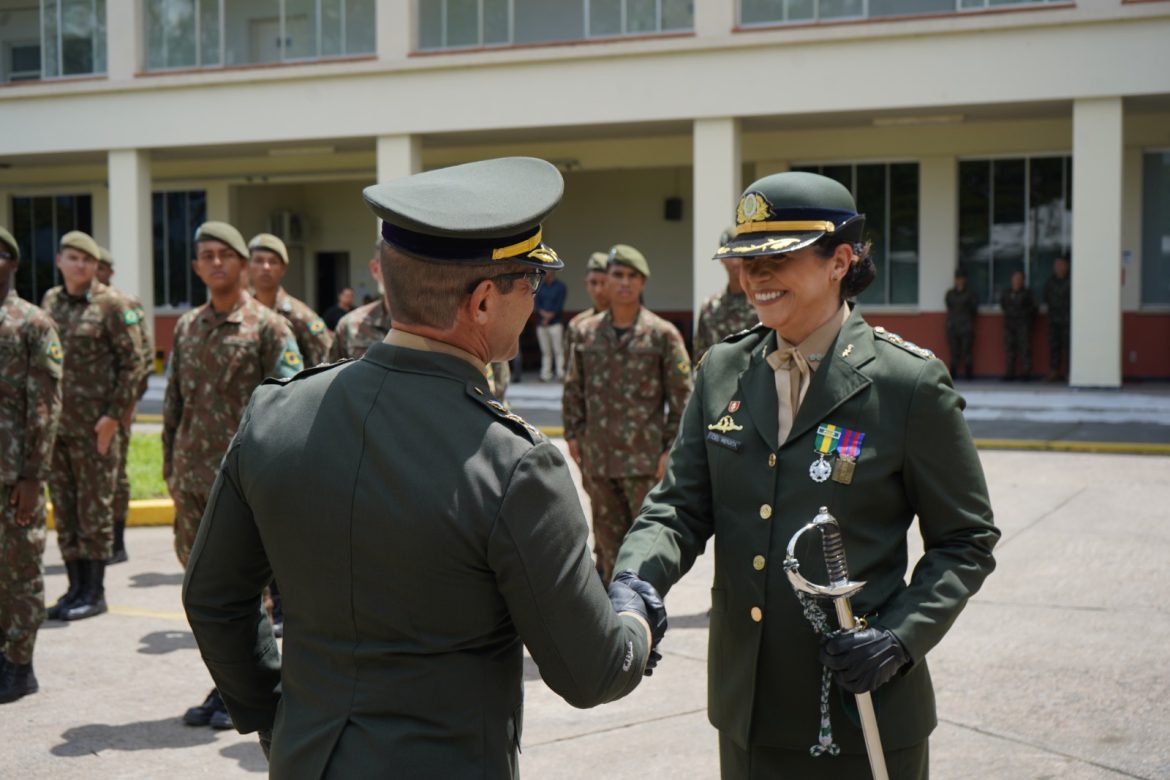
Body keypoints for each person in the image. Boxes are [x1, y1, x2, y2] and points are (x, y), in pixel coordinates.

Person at [182, 156, 666, 775]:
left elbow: (213, 598)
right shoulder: (514, 463)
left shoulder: (275, 414)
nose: (535, 299)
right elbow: (590, 671)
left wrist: (278, 717)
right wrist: (634, 613)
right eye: (531, 283)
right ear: (485, 301)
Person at [615, 172, 1000, 779]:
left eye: (777, 260)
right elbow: (679, 507)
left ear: (839, 261)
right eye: (746, 262)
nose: (754, 278)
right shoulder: (722, 369)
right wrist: (635, 578)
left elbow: (967, 541)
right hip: (749, 711)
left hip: (862, 708)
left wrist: (900, 638)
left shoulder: (907, 384)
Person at [163, 221, 303, 731]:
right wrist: (170, 467)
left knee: (249, 595)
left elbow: (291, 410)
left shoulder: (269, 328)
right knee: (207, 593)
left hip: (245, 487)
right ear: (197, 266)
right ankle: (224, 687)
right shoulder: (187, 326)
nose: (216, 262)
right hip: (194, 481)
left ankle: (252, 694)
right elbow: (175, 401)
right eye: (206, 255)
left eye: (226, 254)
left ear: (243, 265)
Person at [562, 244, 693, 584]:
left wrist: (669, 449)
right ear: (605, 280)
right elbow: (573, 387)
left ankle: (645, 623)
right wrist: (573, 435)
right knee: (606, 548)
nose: (624, 283)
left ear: (643, 282)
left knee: (646, 547)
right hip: (599, 460)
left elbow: (683, 398)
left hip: (644, 462)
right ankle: (609, 629)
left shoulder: (663, 334)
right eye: (617, 275)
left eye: (632, 276)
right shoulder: (585, 332)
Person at [41, 231, 145, 622]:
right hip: (58, 427)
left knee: (94, 510)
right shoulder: (51, 302)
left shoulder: (112, 305)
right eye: (72, 257)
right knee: (66, 509)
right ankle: (74, 589)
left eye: (86, 259)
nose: (80, 265)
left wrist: (114, 416)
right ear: (60, 261)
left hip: (97, 429)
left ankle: (94, 591)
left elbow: (134, 363)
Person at [0, 227, 63, 703]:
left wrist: (32, 476)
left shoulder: (32, 323)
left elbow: (45, 406)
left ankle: (21, 666)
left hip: (13, 476)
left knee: (20, 572)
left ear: (13, 263)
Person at [95, 246, 154, 564]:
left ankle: (116, 542)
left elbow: (142, 356)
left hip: (117, 406)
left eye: (102, 267)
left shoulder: (125, 304)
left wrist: (130, 402)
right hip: (85, 412)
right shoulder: (77, 305)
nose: (97, 272)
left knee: (115, 474)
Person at [248, 233, 333, 367]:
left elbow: (328, 360)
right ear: (248, 266)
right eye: (258, 260)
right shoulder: (240, 313)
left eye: (273, 261)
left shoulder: (301, 316)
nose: (266, 267)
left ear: (283, 269)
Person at [694, 227, 757, 360]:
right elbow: (700, 355)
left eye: (741, 253)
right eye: (730, 254)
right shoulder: (710, 307)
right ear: (722, 259)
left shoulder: (765, 300)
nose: (736, 261)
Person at [329, 250, 391, 361]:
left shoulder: (353, 309)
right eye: (346, 296)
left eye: (351, 296)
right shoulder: (343, 318)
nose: (349, 298)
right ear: (375, 269)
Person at [564, 251, 611, 356]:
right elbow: (570, 370)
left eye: (604, 283)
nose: (598, 290)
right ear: (585, 284)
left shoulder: (628, 322)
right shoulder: (577, 325)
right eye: (593, 283)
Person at [1000, 269, 1036, 381]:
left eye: (1019, 279)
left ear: (1023, 280)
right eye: (1015, 278)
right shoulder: (1007, 293)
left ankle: (1026, 373)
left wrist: (1025, 317)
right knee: (1010, 349)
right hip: (1010, 325)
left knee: (1025, 349)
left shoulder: (1027, 293)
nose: (1017, 281)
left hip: (1023, 325)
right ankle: (1010, 373)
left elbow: (1034, 308)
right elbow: (1003, 305)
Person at [944, 268, 978, 380]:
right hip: (953, 326)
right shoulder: (950, 293)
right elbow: (949, 306)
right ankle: (953, 374)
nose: (959, 281)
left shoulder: (970, 294)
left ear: (965, 280)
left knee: (967, 351)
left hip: (966, 326)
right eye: (958, 278)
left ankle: (969, 375)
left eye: (961, 278)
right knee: (954, 352)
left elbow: (974, 309)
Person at [534, 268, 567, 381]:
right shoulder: (540, 286)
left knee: (558, 350)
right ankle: (545, 375)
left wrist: (549, 317)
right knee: (545, 351)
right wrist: (544, 316)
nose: (545, 273)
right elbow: (536, 304)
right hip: (541, 323)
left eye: (547, 271)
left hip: (555, 323)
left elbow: (559, 304)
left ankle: (560, 374)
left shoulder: (561, 287)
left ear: (552, 272)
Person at [1044, 255, 1071, 382]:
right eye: (1056, 265)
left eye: (1061, 265)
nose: (1058, 268)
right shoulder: (1050, 282)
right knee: (1054, 346)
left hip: (1068, 320)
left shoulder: (1072, 281)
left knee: (1069, 347)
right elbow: (1046, 298)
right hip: (1053, 320)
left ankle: (1070, 372)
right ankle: (1054, 371)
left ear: (1067, 266)